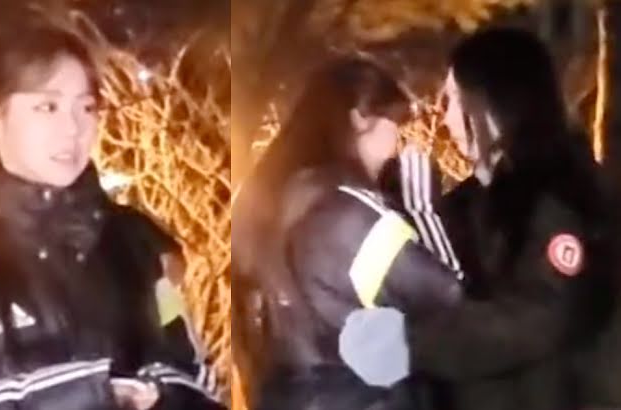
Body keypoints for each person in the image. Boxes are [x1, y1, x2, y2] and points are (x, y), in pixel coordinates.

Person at [0, 17, 222, 410]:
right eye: (48, 106)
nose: (73, 128)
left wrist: (158, 394)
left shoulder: (134, 247)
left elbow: (202, 385)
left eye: (87, 107)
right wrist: (72, 396)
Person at [232, 56, 464, 410]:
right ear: (360, 118)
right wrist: (422, 209)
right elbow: (446, 296)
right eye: (395, 124)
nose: (398, 141)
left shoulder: (261, 206)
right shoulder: (349, 213)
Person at [405, 28, 617, 410]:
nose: (446, 117)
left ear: (494, 104)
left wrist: (411, 342)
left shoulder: (561, 196)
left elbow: (539, 315)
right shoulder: (474, 197)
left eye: (455, 100)